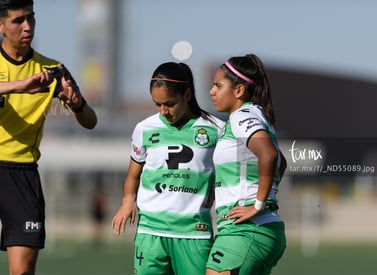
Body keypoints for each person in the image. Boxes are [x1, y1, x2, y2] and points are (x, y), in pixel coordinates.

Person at [0, 0, 97, 274]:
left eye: (31, 18)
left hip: (22, 176)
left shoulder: (52, 70)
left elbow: (91, 122)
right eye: (18, 20)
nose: (27, 26)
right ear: (1, 26)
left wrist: (77, 104)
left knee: (22, 271)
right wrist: (19, 86)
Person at [112, 62, 224, 275]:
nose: (164, 111)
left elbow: (230, 172)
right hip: (151, 233)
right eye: (157, 104)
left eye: (170, 104)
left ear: (187, 94)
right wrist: (128, 200)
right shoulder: (144, 129)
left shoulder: (216, 130)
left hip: (194, 234)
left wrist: (216, 190)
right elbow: (133, 175)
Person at [206, 54, 287, 275]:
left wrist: (258, 204)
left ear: (239, 90)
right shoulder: (254, 115)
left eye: (218, 85)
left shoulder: (242, 116)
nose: (212, 91)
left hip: (247, 231)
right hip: (255, 228)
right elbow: (282, 162)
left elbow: (269, 155)